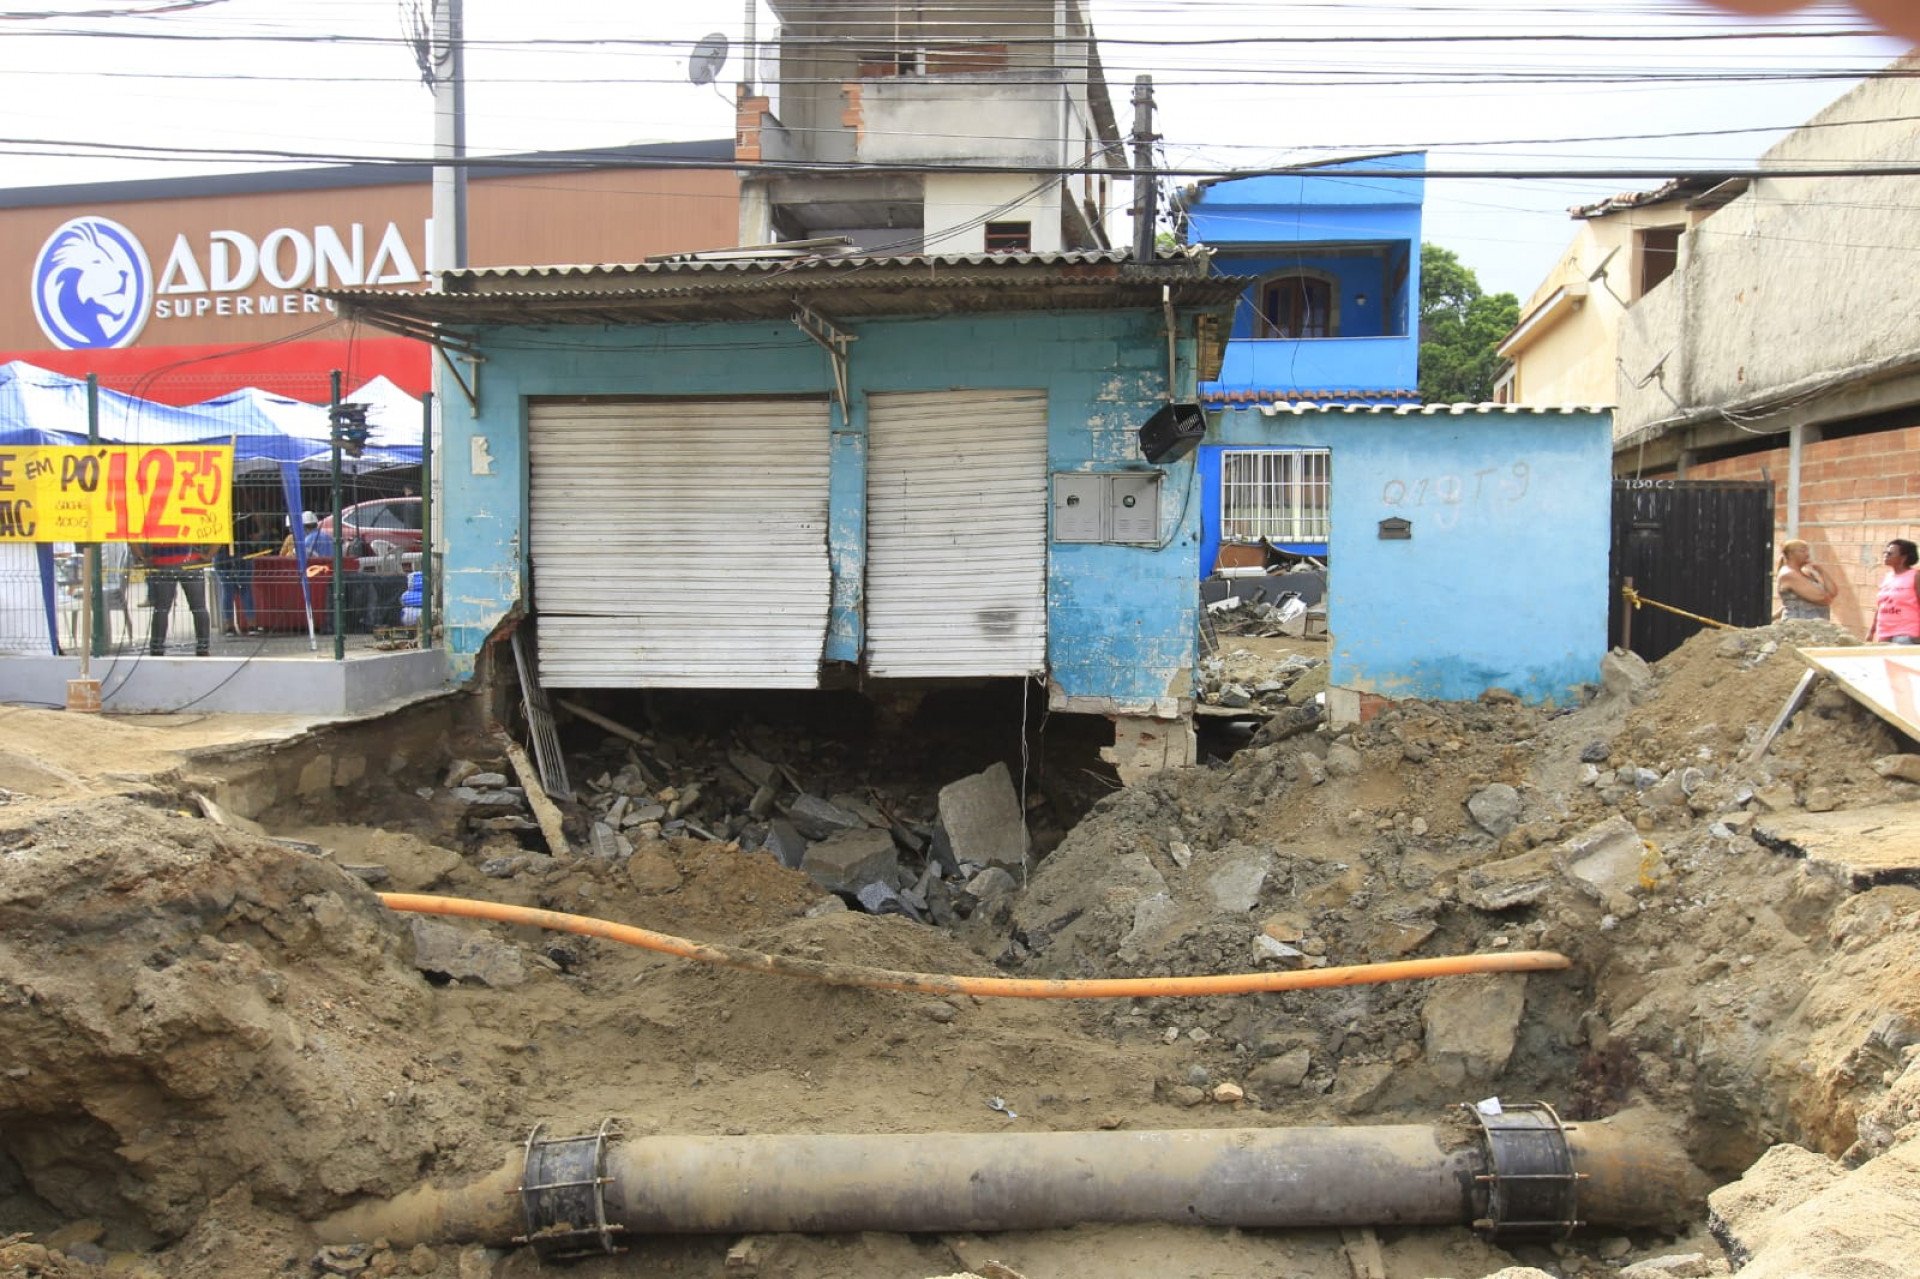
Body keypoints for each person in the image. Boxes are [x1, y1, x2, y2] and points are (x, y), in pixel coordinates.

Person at [136, 541, 212, 657]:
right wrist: (209, 555)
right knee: (199, 608)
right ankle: (203, 647)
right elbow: (221, 532)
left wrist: (142, 557)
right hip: (191, 562)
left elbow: (131, 538)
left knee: (161, 609)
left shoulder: (153, 522)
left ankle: (157, 647)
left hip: (163, 562)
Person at [1868, 538, 1920, 644]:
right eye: (1885, 552)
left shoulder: (1915, 576)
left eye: (1890, 553)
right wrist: (1871, 631)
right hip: (1884, 633)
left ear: (1903, 557)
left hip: (1906, 634)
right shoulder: (1887, 577)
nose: (1885, 555)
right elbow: (1880, 606)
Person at [1775, 539, 1837, 622]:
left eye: (1807, 550)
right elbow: (1822, 598)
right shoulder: (1789, 574)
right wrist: (1827, 598)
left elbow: (1833, 592)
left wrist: (1821, 571)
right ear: (1790, 554)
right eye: (1802, 551)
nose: (1807, 554)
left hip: (1817, 625)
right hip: (1798, 625)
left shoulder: (1806, 572)